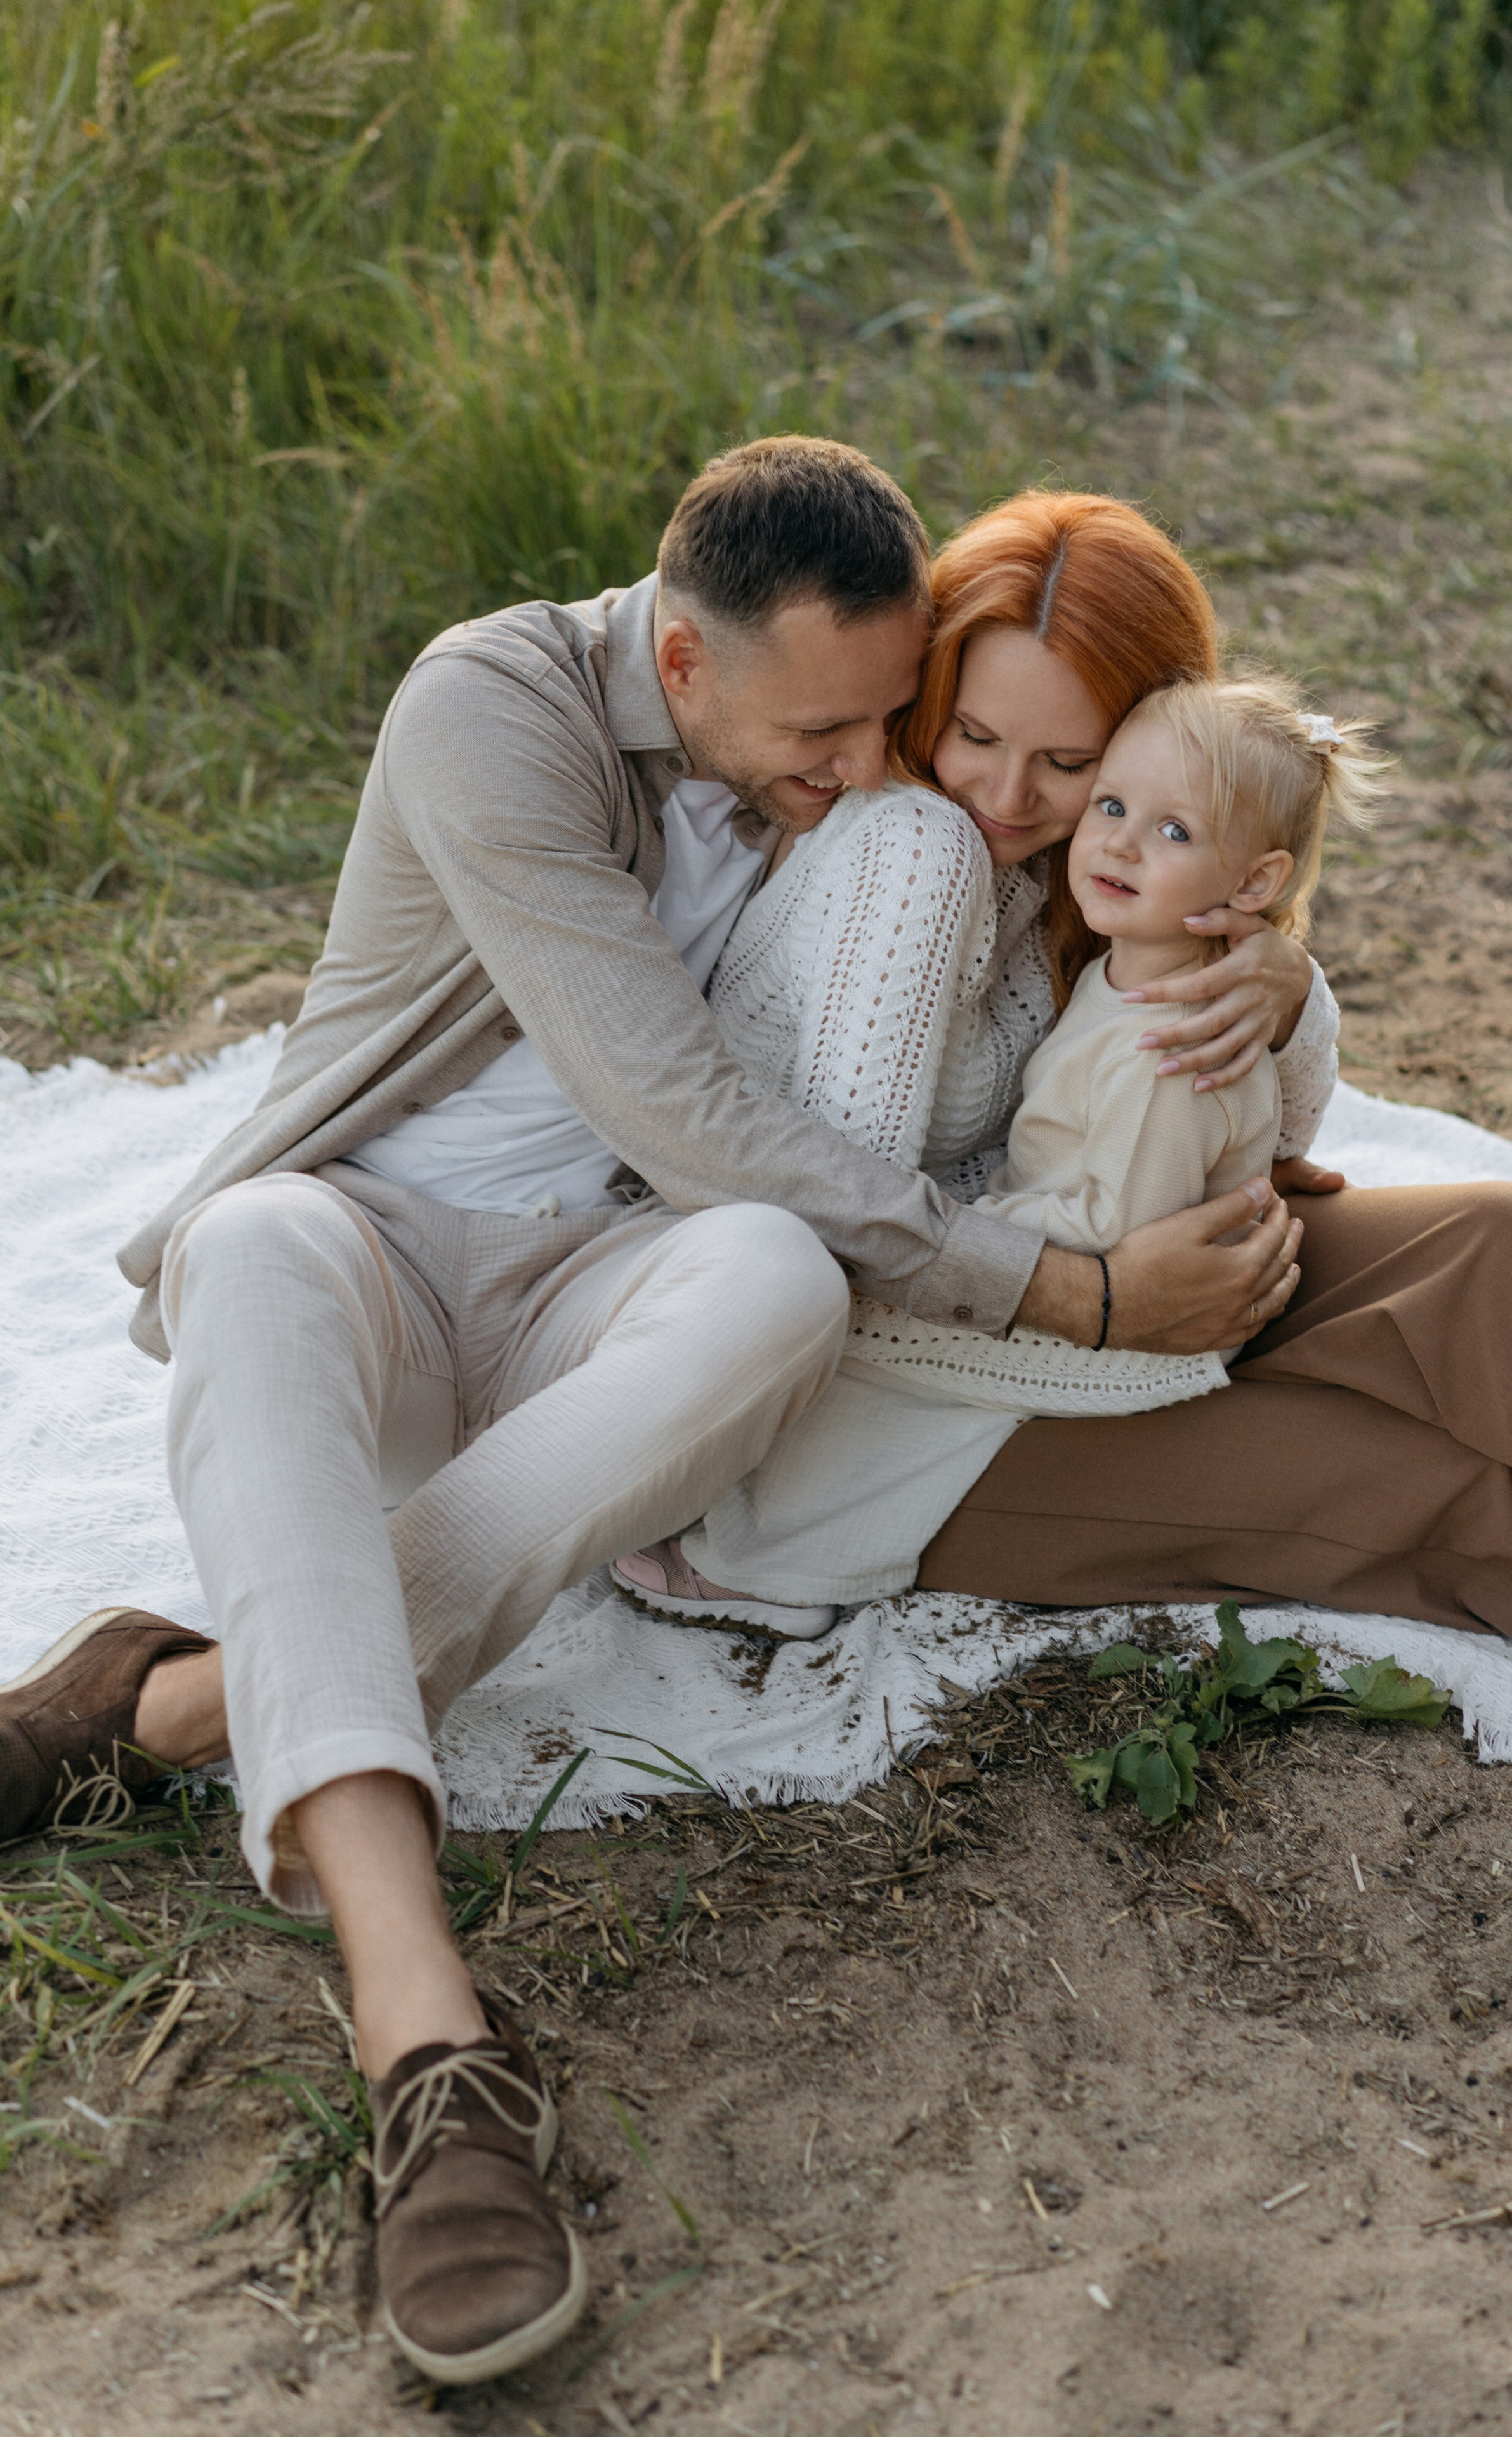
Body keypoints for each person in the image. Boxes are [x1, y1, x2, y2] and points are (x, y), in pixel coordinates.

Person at [0, 449, 1313, 2385]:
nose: (881, 767)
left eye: (901, 720)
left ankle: (174, 1701)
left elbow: (1151, 834)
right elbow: (681, 1106)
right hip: (377, 1256)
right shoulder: (493, 705)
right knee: (261, 1242)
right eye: (843, 728)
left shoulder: (874, 778)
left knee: (780, 1270)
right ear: (681, 663)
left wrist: (1272, 970)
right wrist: (1071, 1293)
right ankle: (431, 2047)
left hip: (598, 1304)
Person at [617, 669, 1377, 1625]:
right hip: (1086, 1265)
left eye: (1173, 831)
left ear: (1257, 881)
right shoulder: (1131, 968)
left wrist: (975, 1231)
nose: (1120, 844)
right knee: (880, 1325)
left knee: (875, 1362)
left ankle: (769, 1567)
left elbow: (1117, 1228)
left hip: (1146, 1313)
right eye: (1111, 803)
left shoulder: (1168, 1048)